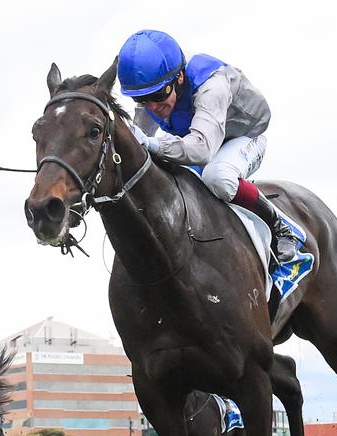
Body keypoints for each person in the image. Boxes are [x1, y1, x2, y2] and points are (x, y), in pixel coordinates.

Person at [117, 30, 298, 266]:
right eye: (142, 99)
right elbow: (137, 148)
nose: (153, 106)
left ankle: (279, 225)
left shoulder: (211, 87)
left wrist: (151, 143)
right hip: (202, 138)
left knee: (217, 176)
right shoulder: (154, 89)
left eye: (159, 95)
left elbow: (201, 150)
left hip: (244, 137)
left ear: (179, 78)